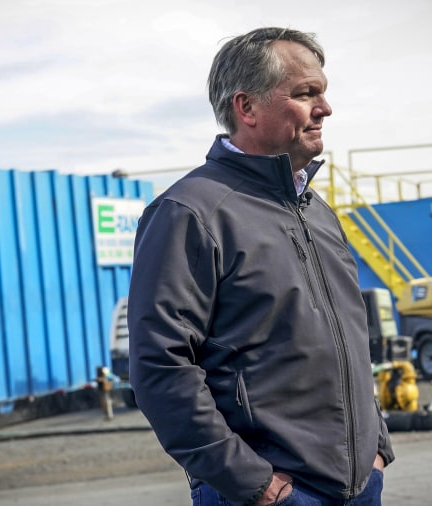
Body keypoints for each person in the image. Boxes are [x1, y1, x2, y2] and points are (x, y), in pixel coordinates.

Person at [128, 27, 394, 506]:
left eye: (323, 92)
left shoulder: (317, 211)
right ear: (246, 108)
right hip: (273, 494)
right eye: (305, 93)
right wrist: (254, 484)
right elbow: (159, 366)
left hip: (359, 486)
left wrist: (376, 446)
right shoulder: (190, 213)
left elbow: (345, 341)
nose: (325, 108)